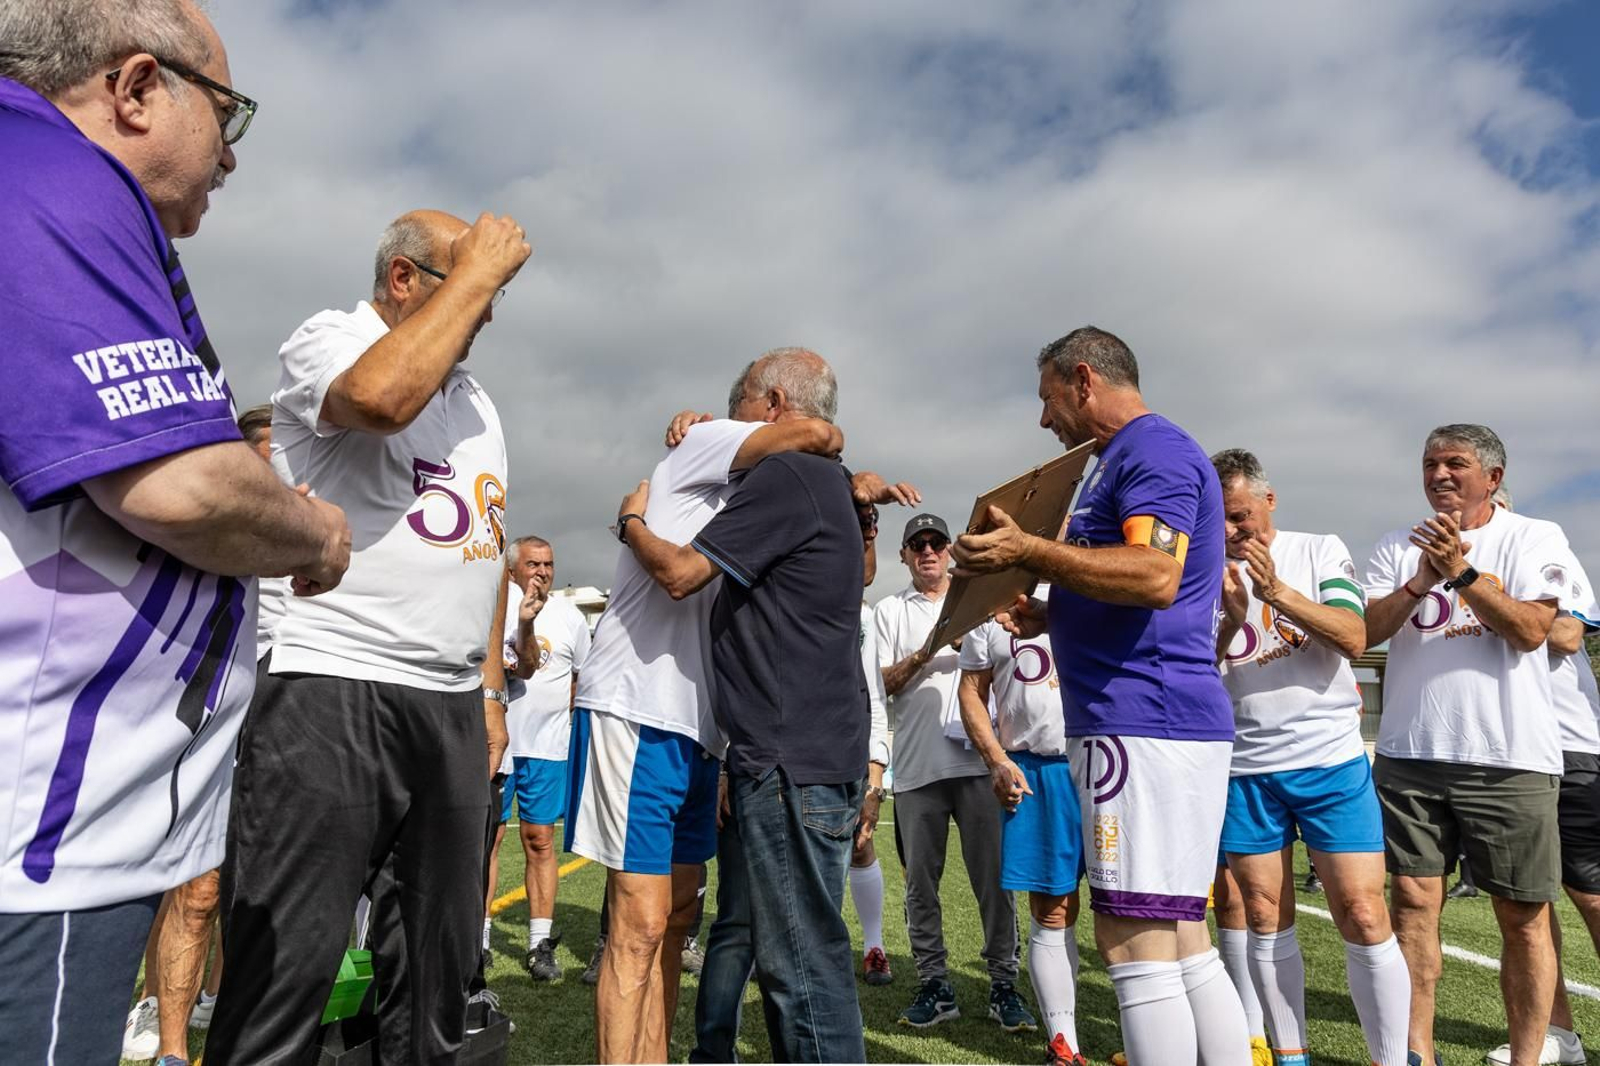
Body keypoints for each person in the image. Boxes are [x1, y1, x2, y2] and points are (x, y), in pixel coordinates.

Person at [0, 4, 351, 1062]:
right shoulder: (51, 171)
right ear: (138, 87)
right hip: (38, 833)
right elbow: (179, 484)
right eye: (227, 112)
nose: (231, 154)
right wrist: (313, 532)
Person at [206, 209, 531, 1064]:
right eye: (471, 281)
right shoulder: (330, 339)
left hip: (449, 707)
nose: (486, 306)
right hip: (332, 685)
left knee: (433, 984)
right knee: (286, 978)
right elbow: (382, 399)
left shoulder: (476, 399)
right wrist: (480, 270)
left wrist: (488, 691)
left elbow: (484, 549)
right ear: (403, 278)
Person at [951, 326, 1249, 1064]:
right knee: (1182, 938)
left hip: (1144, 722)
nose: (1043, 419)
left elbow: (1155, 574)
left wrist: (1029, 550)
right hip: (1153, 719)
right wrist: (1055, 612)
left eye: (1048, 398)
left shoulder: (1153, 451)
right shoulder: (1123, 459)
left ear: (1084, 380)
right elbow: (1136, 580)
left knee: (1133, 939)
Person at [566, 350, 847, 1064]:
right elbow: (822, 434)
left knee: (678, 917)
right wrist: (637, 514)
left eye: (738, 405)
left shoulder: (763, 488)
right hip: (637, 705)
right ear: (773, 408)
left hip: (700, 729)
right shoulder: (708, 441)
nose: (731, 415)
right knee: (640, 922)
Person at [1362, 424, 1571, 1066]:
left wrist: (1461, 572)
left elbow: (1532, 630)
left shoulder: (1533, 536)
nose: (1439, 475)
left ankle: (1529, 1057)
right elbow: (1363, 633)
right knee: (1411, 905)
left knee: (1522, 916)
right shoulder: (1395, 545)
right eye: (1430, 464)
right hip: (1409, 755)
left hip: (1508, 759)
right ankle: (1415, 1054)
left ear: (1493, 477)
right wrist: (1419, 581)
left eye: (1455, 463)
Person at [1210, 448, 1410, 1066]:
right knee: (1263, 913)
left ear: (1269, 501)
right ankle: (1290, 1055)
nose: (1230, 530)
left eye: (1239, 515)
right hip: (1246, 768)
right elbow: (1193, 670)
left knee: (1364, 912)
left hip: (1328, 761)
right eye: (1216, 517)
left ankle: (1390, 1057)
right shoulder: (1198, 572)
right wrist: (1229, 621)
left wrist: (1276, 592)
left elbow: (1353, 636)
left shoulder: (1319, 549)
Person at [875, 514, 1035, 1032]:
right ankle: (934, 983)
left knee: (994, 882)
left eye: (937, 543)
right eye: (916, 544)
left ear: (950, 550)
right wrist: (928, 650)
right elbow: (881, 684)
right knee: (920, 884)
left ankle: (1003, 984)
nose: (928, 551)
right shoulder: (889, 610)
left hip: (979, 763)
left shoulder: (982, 601)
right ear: (904, 555)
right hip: (917, 766)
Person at [956, 586, 1089, 1066]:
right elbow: (971, 690)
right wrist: (996, 759)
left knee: (1127, 912)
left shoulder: (1094, 584)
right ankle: (1065, 1045)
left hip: (1111, 760)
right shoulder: (991, 605)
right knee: (1052, 909)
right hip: (1037, 768)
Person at [1484, 495, 1595, 1066]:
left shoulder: (1544, 548)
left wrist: (1483, 606)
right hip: (1507, 748)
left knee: (1591, 893)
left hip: (1569, 743)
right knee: (1526, 899)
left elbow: (1568, 634)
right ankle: (1560, 1034)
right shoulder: (1446, 563)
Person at [493, 535, 590, 981]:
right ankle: (479, 941)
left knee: (540, 840)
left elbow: (583, 677)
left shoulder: (570, 616)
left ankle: (539, 944)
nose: (543, 572)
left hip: (548, 749)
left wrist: (561, 713)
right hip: (498, 745)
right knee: (489, 841)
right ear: (512, 569)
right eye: (533, 564)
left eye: (548, 564)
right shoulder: (495, 607)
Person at [851, 500, 895, 985]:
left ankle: (873, 946)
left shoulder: (863, 617)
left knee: (860, 846)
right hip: (790, 751)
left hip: (845, 755)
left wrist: (874, 781)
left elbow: (874, 699)